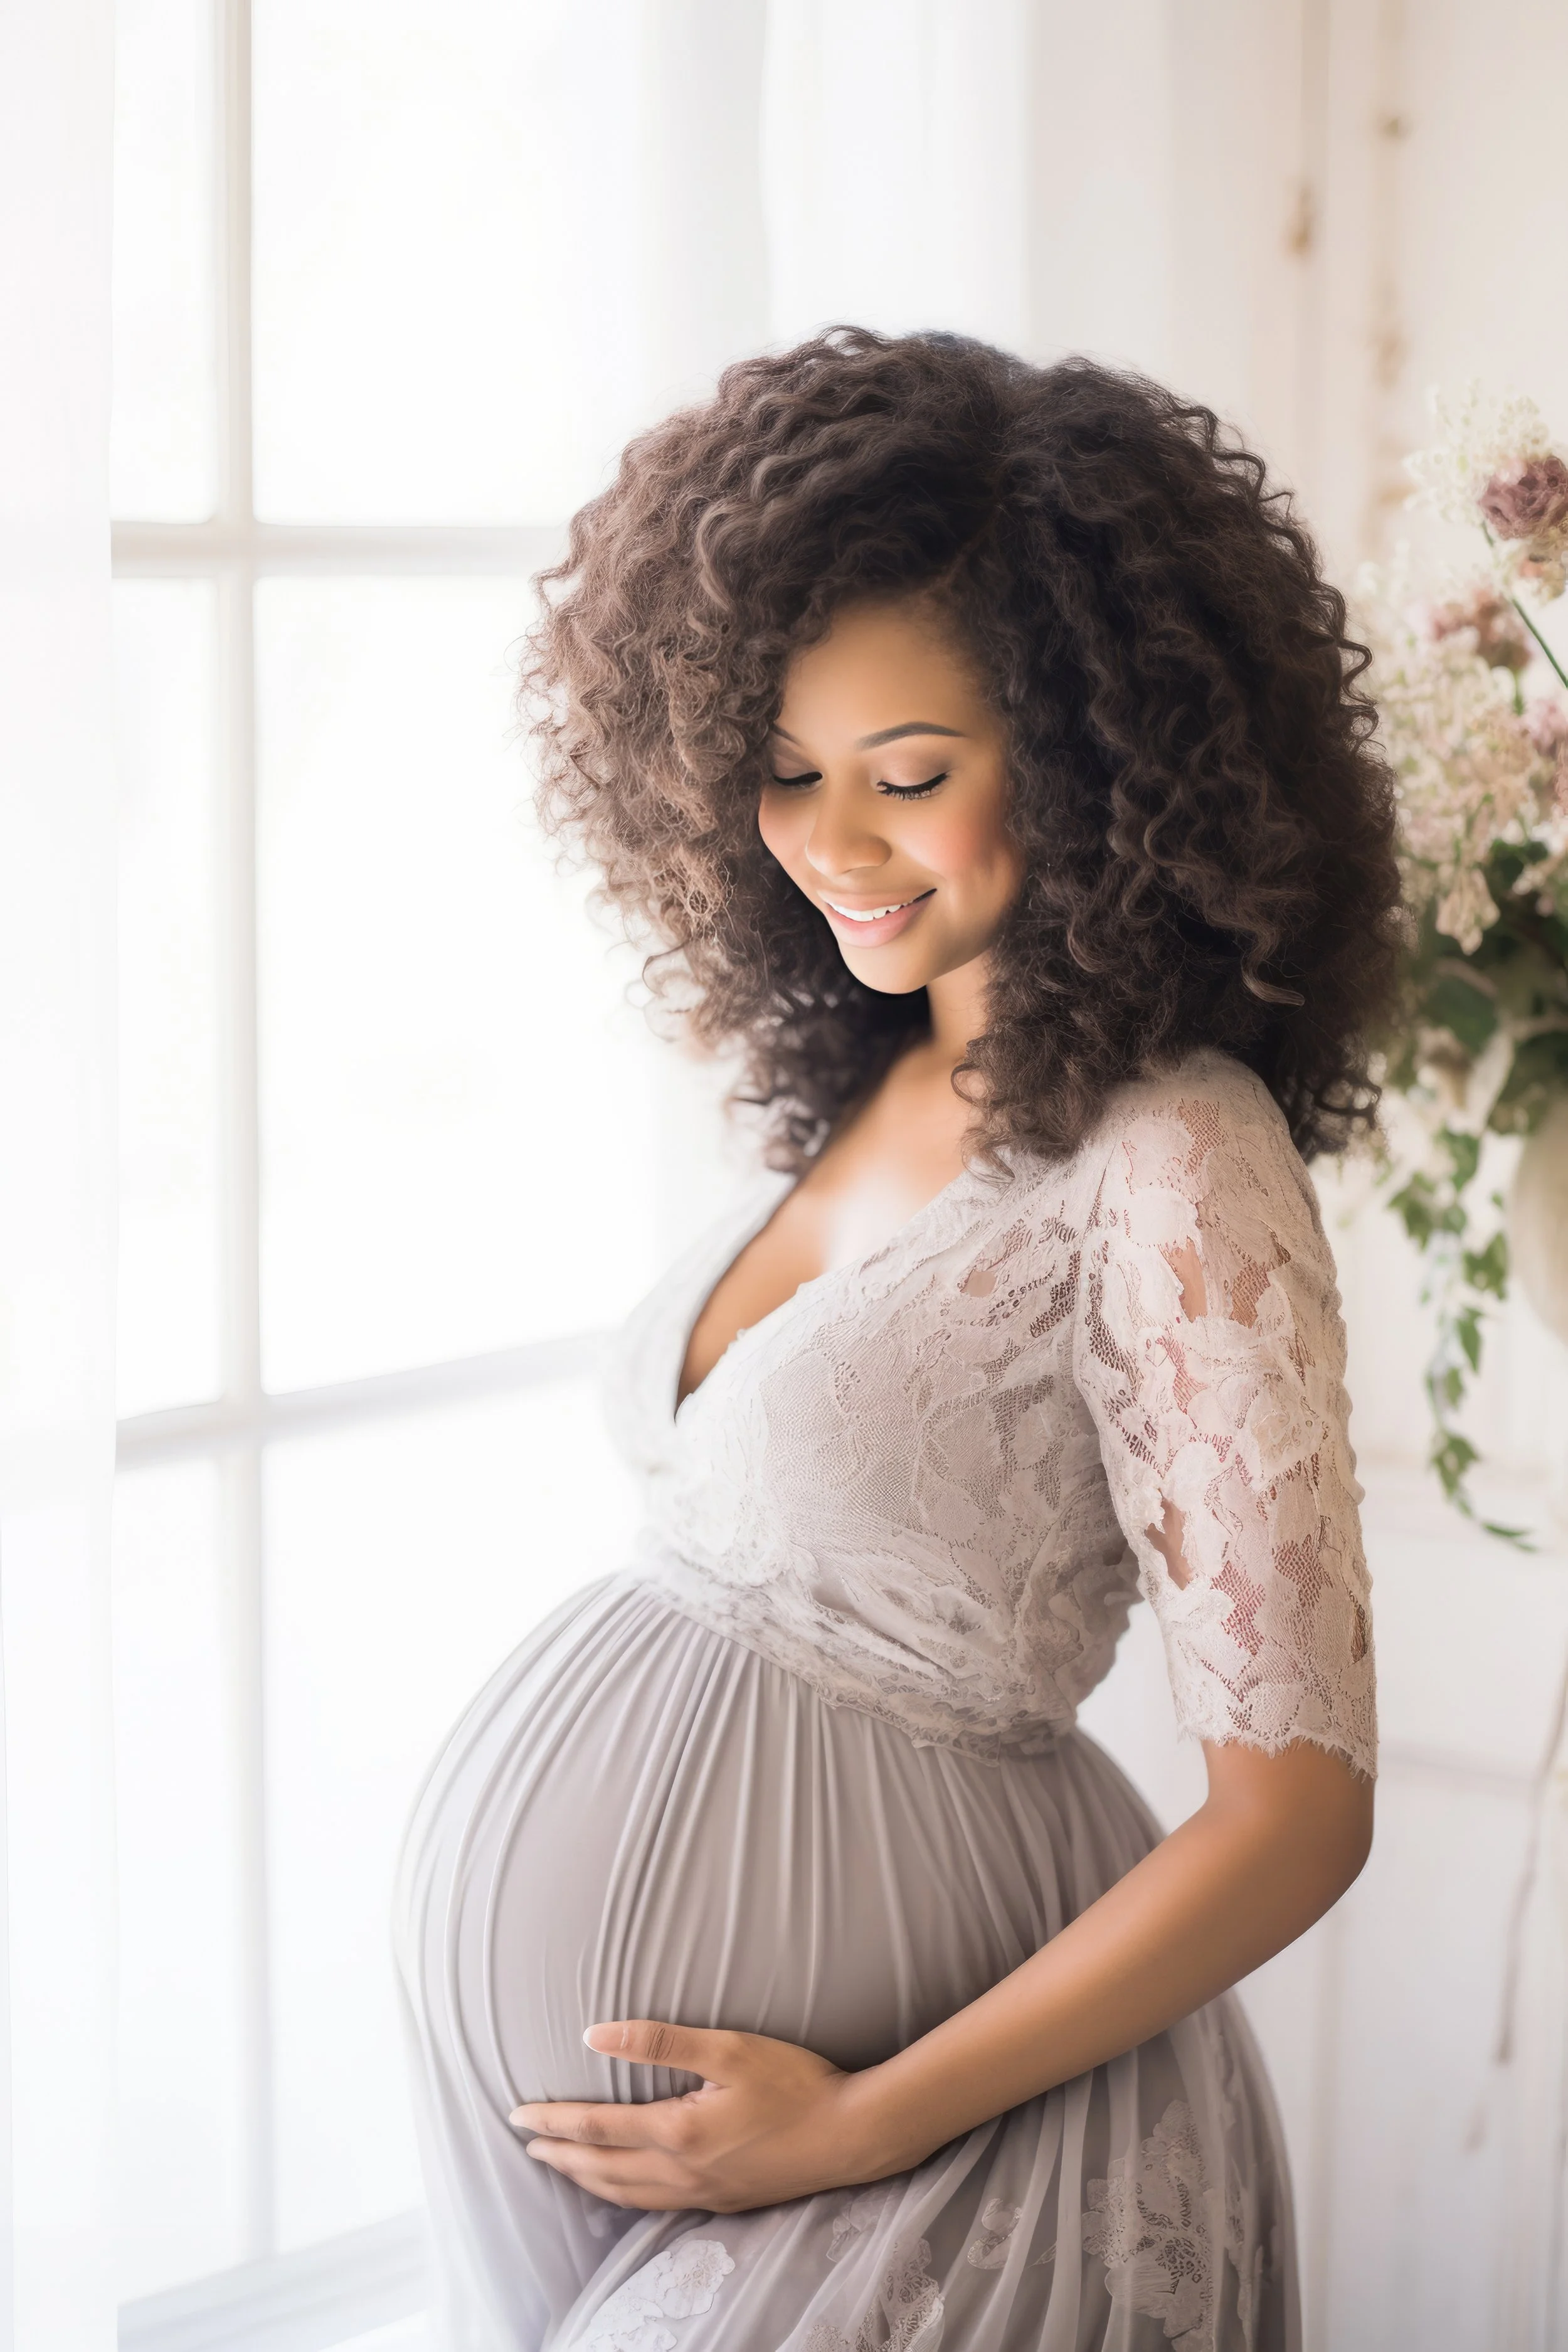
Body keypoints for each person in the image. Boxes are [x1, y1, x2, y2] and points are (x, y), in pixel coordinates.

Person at [395, 327, 1400, 2349]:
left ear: (1105, 753)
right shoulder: (871, 1070)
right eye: (781, 772)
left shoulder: (1173, 1155)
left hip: (934, 2146)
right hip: (645, 2167)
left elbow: (1298, 1806)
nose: (832, 841)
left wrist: (856, 2122)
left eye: (908, 776)